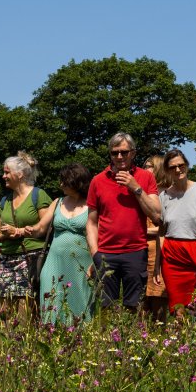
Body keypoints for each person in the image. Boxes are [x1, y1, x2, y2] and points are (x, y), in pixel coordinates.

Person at [86, 132, 161, 312]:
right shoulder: (97, 180)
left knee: (134, 307)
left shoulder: (145, 177)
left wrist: (135, 187)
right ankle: (106, 340)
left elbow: (157, 215)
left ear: (133, 153)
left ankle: (132, 340)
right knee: (105, 308)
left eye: (124, 152)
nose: (119, 157)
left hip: (135, 251)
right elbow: (91, 222)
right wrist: (95, 253)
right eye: (114, 152)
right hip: (105, 253)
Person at [0, 152, 53, 320]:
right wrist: (6, 235)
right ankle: (7, 342)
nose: (3, 176)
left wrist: (18, 231)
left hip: (31, 257)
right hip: (7, 259)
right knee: (4, 308)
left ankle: (26, 341)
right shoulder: (5, 201)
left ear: (20, 174)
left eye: (6, 172)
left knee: (26, 306)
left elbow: (46, 228)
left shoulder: (38, 196)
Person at [35, 163, 96, 325]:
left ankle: (82, 337)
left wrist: (96, 261)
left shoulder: (92, 205)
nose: (60, 184)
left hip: (81, 264)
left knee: (80, 298)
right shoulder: (57, 202)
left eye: (64, 181)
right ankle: (51, 333)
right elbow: (41, 227)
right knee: (51, 295)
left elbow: (99, 233)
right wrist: (23, 230)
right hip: (54, 262)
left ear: (76, 183)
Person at [156, 150, 196, 318]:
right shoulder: (163, 197)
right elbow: (161, 233)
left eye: (181, 165)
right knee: (178, 309)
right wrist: (157, 265)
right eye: (173, 167)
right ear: (167, 171)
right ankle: (180, 342)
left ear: (187, 165)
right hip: (172, 256)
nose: (178, 170)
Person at [142, 155, 170, 321]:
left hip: (159, 250)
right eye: (145, 165)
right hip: (141, 250)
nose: (145, 168)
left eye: (150, 166)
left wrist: (141, 231)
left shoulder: (167, 194)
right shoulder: (143, 194)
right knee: (141, 300)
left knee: (158, 296)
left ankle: (160, 337)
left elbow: (166, 227)